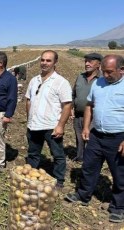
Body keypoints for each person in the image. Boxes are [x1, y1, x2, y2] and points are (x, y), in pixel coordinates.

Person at [65, 55, 124, 223]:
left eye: (109, 72)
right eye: (103, 71)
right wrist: (85, 127)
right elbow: (90, 105)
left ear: (122, 70)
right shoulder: (98, 83)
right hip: (97, 135)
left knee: (120, 174)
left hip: (119, 137)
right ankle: (83, 195)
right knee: (89, 167)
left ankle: (119, 207)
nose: (105, 75)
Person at [25, 50, 72, 188]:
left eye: (48, 60)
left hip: (51, 126)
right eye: (43, 60)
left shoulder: (61, 82)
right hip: (34, 125)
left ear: (55, 62)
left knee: (57, 154)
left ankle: (59, 180)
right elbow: (28, 100)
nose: (44, 63)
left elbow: (67, 105)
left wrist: (60, 126)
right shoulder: (34, 80)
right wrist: (29, 119)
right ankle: (31, 176)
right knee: (33, 153)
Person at [70, 52, 102, 163]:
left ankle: (91, 160)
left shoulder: (102, 79)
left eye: (90, 61)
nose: (87, 64)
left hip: (94, 116)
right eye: (86, 61)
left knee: (91, 139)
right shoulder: (80, 76)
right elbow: (73, 94)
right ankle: (80, 157)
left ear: (98, 64)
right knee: (79, 138)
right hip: (78, 115)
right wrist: (71, 107)